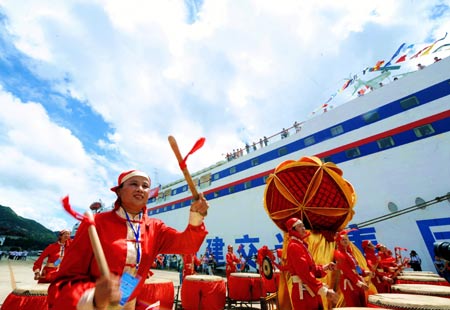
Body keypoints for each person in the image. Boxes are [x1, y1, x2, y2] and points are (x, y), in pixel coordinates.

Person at [47, 169, 209, 309]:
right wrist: (93, 296)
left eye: (145, 186)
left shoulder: (155, 228)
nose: (140, 189)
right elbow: (63, 282)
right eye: (133, 184)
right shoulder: (96, 223)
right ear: (119, 191)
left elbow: (187, 245)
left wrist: (196, 216)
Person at [285, 218, 338, 309]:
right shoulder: (294, 246)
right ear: (292, 230)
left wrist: (326, 267)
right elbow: (304, 273)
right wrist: (324, 290)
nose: (303, 228)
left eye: (303, 226)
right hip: (303, 292)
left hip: (309, 289)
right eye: (300, 226)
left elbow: (311, 269)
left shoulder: (301, 245)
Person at [334, 230, 370, 307]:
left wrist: (364, 272)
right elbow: (347, 270)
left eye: (346, 239)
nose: (345, 241)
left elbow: (356, 267)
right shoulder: (338, 253)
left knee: (362, 304)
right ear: (339, 241)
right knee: (354, 305)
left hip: (356, 280)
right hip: (349, 282)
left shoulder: (349, 253)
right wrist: (358, 282)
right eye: (343, 239)